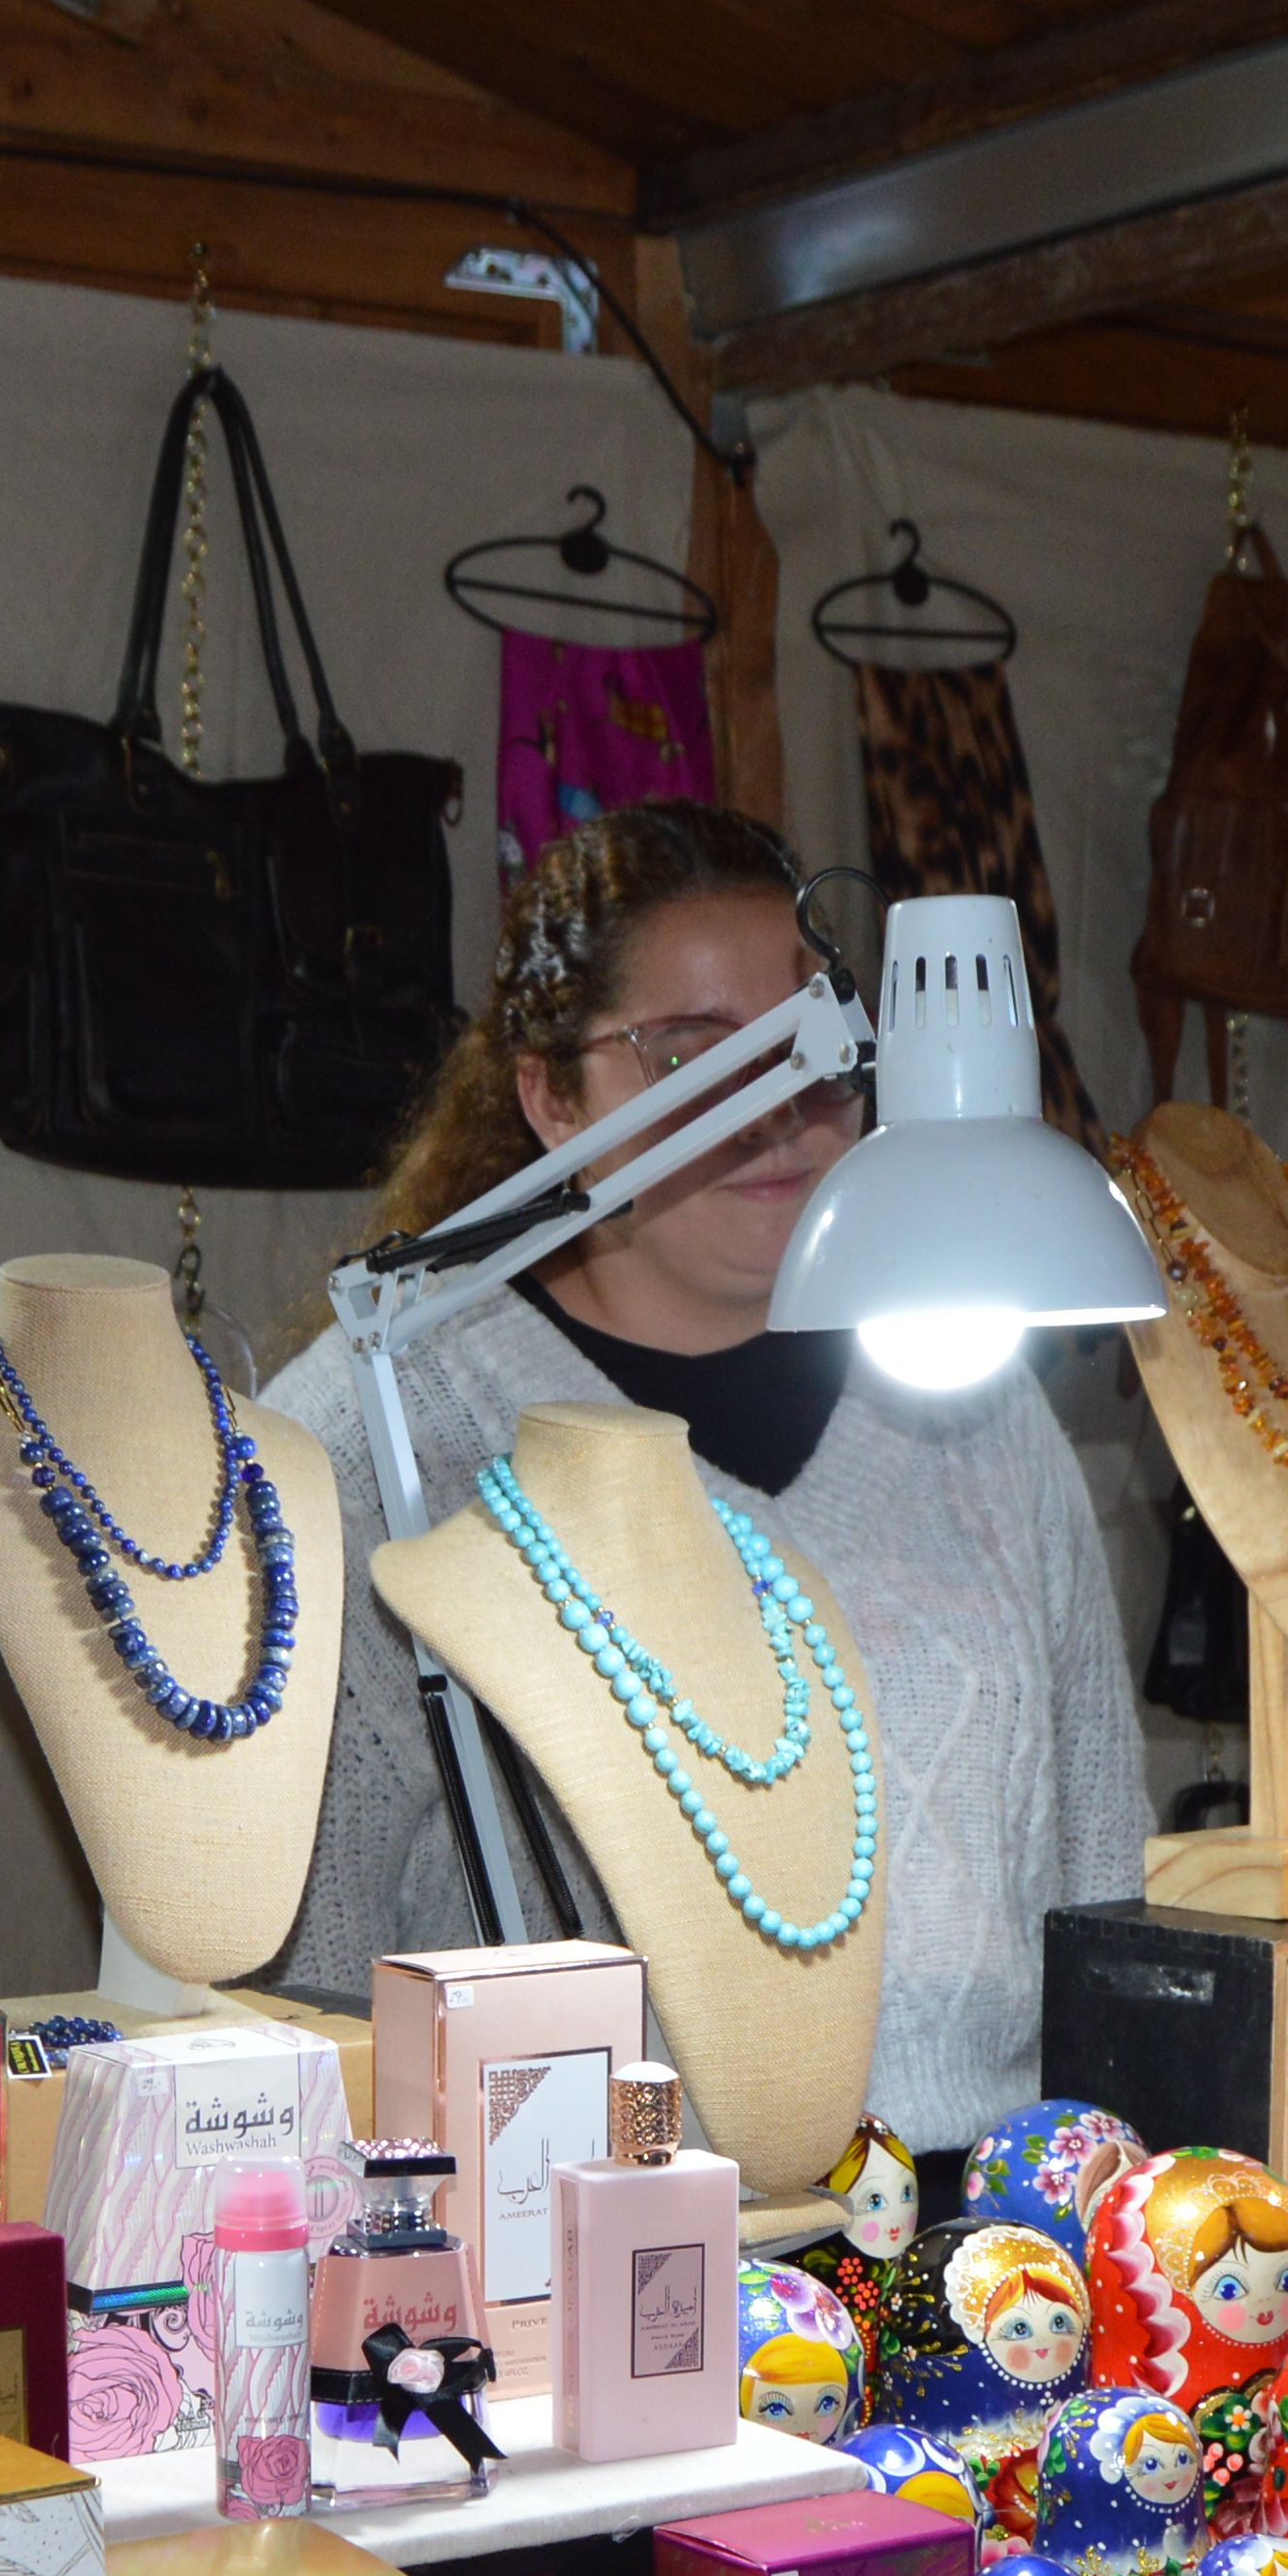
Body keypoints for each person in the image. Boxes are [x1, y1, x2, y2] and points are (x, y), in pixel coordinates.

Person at [265, 802, 1147, 2145]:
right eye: (692, 1057)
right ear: (550, 1094)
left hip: (1000, 2248)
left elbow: (1100, 1858)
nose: (782, 1113)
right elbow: (304, 1968)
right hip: (615, 2260)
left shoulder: (972, 1400)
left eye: (814, 1051)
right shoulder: (389, 1424)